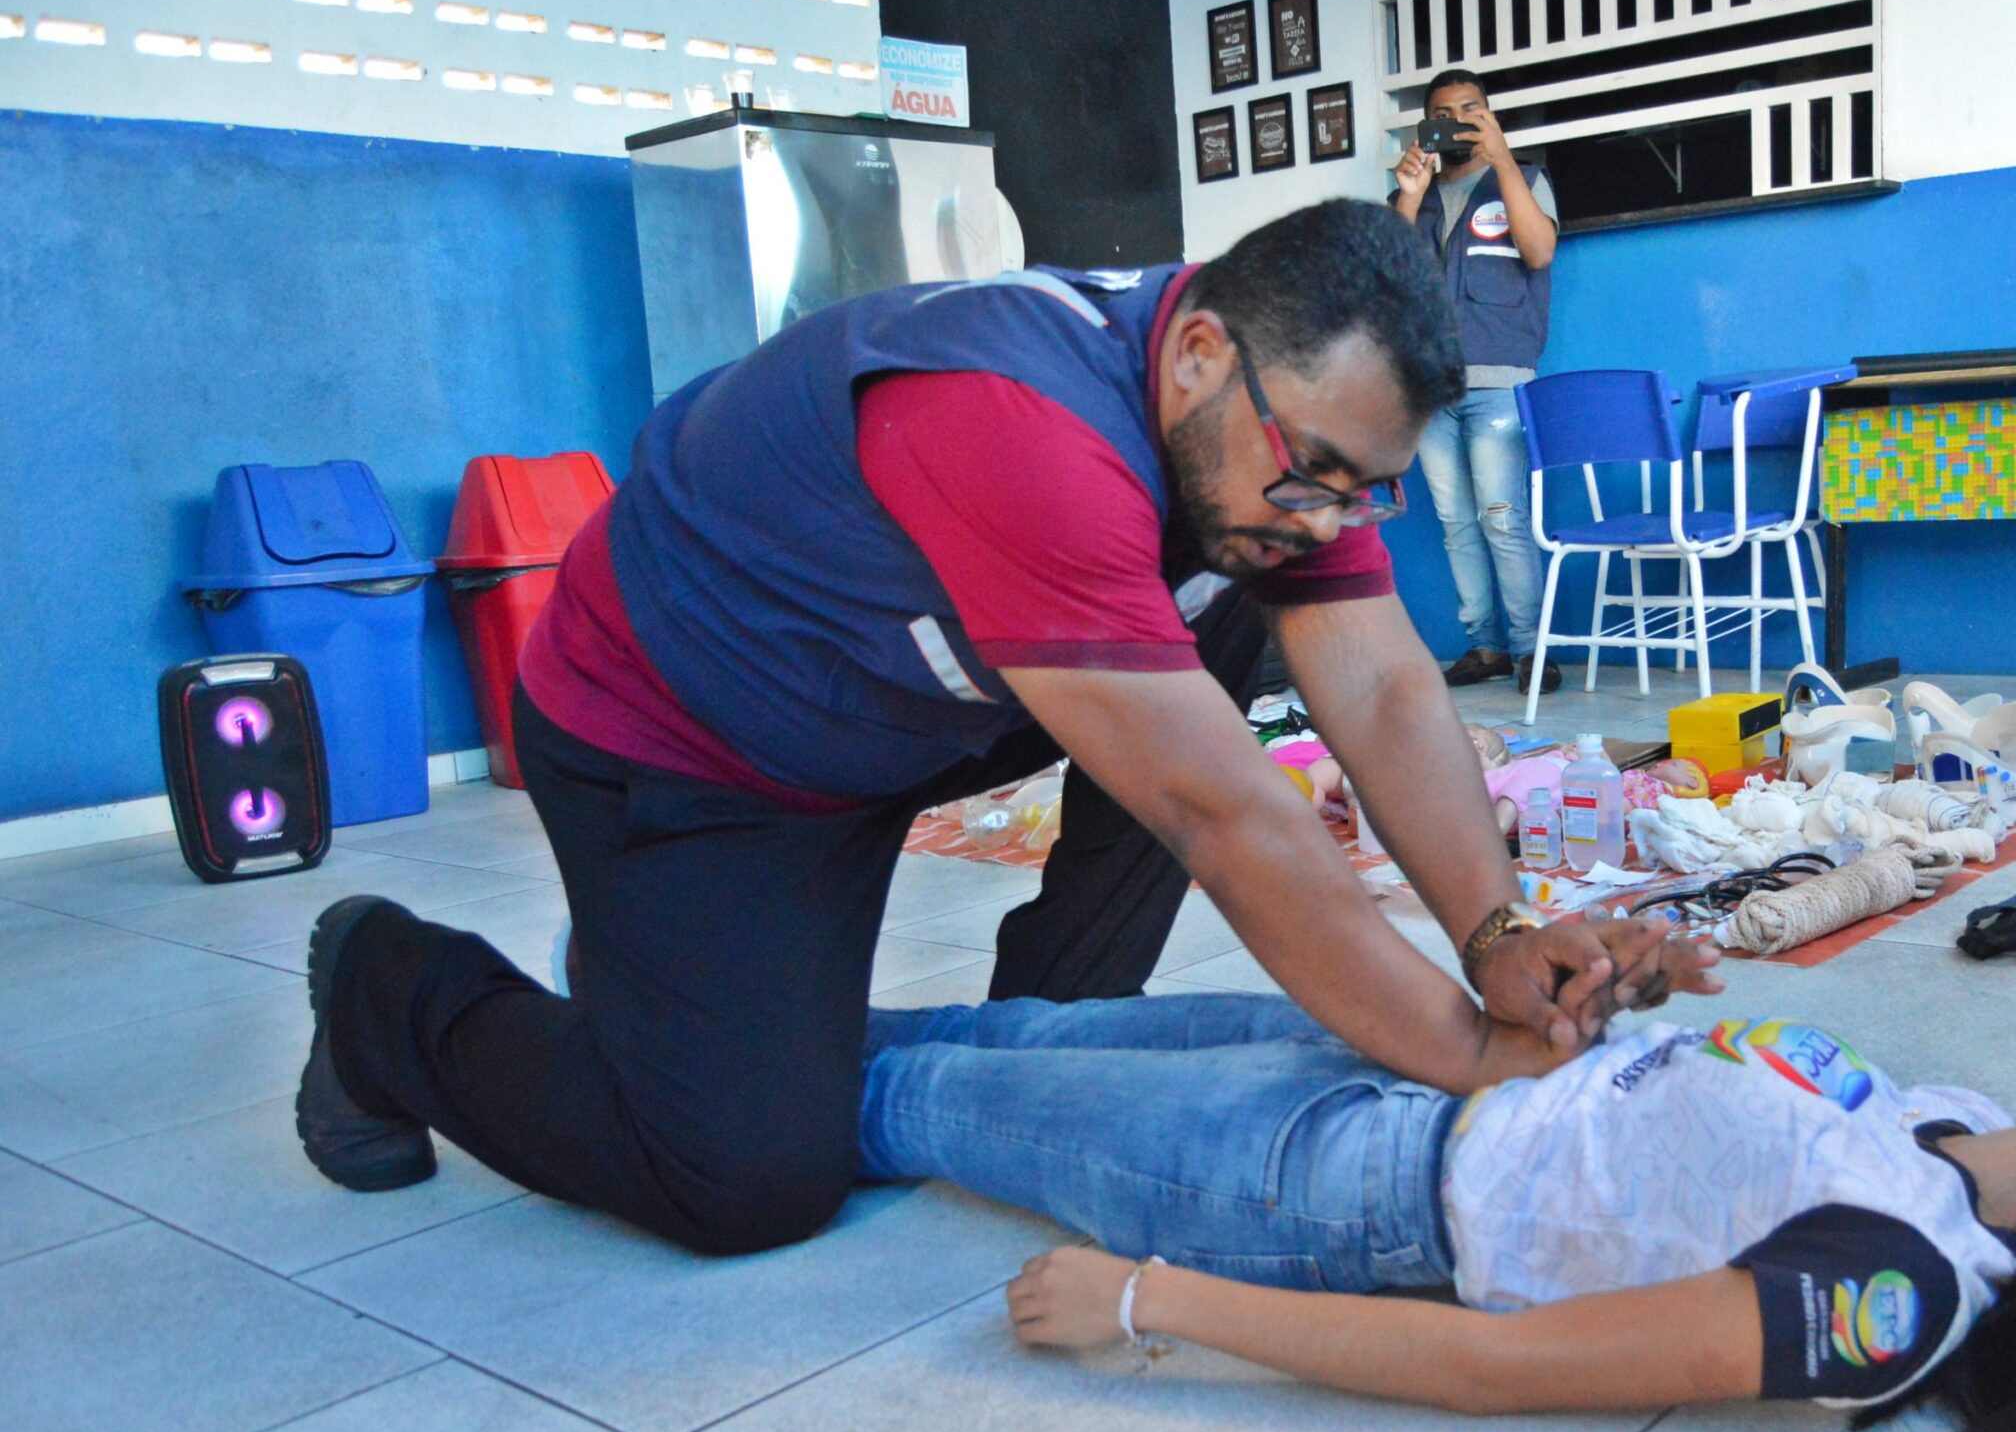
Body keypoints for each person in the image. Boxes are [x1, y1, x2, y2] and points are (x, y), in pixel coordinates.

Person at [295, 199, 1715, 1254]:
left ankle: (1041, 1019)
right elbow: (1218, 812)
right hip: (688, 743)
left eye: (1369, 489)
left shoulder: (1257, 424)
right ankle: (384, 988)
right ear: (1199, 350)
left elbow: (1390, 686)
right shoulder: (1019, 423)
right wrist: (1467, 1055)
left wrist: (1494, 934)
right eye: (1320, 474)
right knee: (744, 1178)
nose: (1335, 517)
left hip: (895, 700)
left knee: (1242, 584)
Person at [859, 998, 2016, 1432]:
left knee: (908, 1098)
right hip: (1426, 1060)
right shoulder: (1962, 1122)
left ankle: (703, 1106)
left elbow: (1496, 1367)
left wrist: (1149, 1298)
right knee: (1007, 1029)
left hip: (1338, 1177)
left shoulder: (1896, 1286)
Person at [1391, 69, 1562, 697]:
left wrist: (1503, 158)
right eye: (1444, 112)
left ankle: (1532, 650)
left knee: (1502, 517)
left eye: (1471, 109)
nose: (1458, 120)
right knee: (1456, 523)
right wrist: (1409, 196)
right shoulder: (1415, 195)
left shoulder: (1524, 178)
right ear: (1426, 125)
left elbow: (1539, 252)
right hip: (1429, 387)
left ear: (1489, 116)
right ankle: (1486, 647)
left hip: (1498, 380)